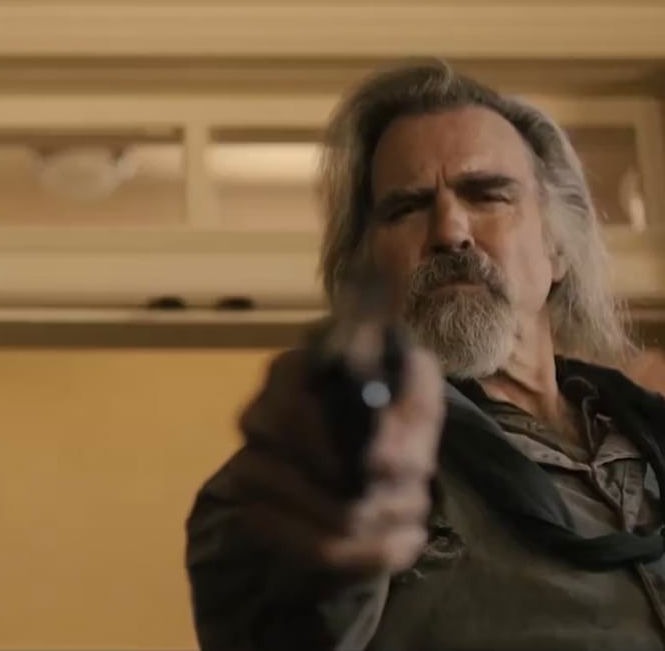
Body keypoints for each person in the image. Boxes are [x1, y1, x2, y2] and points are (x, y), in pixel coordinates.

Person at [186, 61, 665, 650]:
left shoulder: (645, 428)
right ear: (367, 269)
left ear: (558, 247)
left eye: (487, 194)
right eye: (406, 208)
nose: (450, 231)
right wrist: (319, 519)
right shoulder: (347, 455)